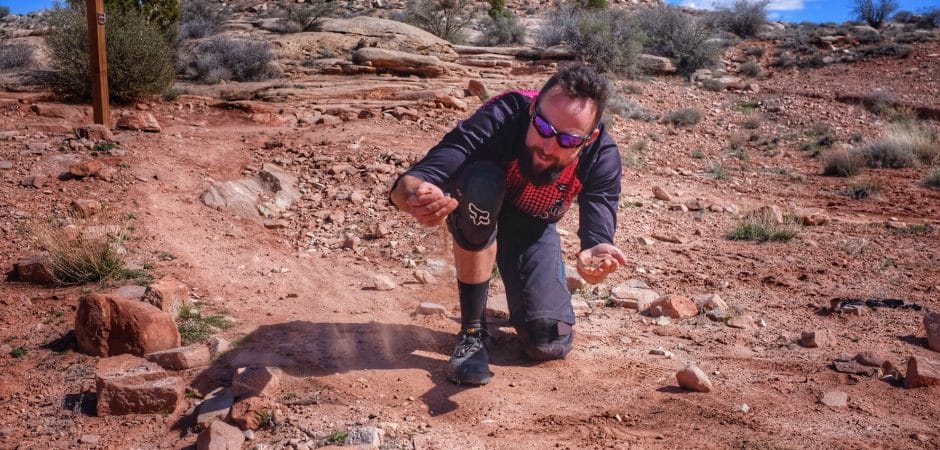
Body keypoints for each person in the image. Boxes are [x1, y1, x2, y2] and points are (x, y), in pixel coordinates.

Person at [389, 63, 627, 386]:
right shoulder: (503, 115)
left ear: (589, 139)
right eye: (542, 126)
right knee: (484, 185)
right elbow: (413, 181)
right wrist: (417, 196)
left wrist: (597, 253)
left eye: (568, 140)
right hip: (479, 203)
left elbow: (598, 230)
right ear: (533, 109)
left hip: (531, 226)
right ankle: (472, 331)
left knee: (549, 341)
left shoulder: (601, 155)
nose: (548, 147)